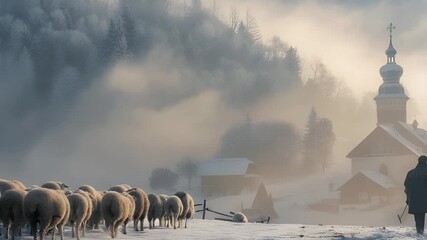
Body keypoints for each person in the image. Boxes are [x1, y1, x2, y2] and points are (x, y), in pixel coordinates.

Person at [404, 155, 427, 235]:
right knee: (422, 213)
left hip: (413, 198)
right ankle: (420, 231)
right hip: (424, 198)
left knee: (417, 213)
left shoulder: (411, 172)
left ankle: (419, 230)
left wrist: (408, 198)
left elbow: (406, 185)